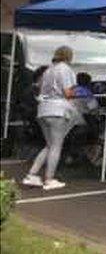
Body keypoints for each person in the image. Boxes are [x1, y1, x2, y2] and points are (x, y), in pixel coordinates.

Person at [21, 46, 77, 190]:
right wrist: (76, 94)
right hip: (58, 110)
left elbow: (41, 90)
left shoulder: (48, 70)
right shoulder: (65, 69)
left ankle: (32, 175)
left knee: (49, 145)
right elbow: (68, 93)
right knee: (56, 146)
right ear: (69, 56)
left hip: (43, 110)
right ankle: (49, 179)